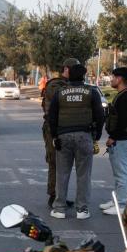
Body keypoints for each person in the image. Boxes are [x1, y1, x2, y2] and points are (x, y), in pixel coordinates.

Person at [48, 63, 105, 219]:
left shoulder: (60, 93)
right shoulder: (91, 92)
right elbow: (100, 115)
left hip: (63, 137)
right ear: (83, 76)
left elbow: (52, 117)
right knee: (84, 175)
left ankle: (59, 209)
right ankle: (82, 209)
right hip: (84, 136)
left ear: (69, 76)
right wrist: (97, 135)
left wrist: (54, 136)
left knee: (62, 174)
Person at [42, 58, 79, 208]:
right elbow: (63, 98)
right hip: (53, 128)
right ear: (67, 69)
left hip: (67, 127)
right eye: (75, 70)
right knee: (55, 162)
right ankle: (53, 196)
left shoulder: (71, 84)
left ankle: (60, 195)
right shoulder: (55, 85)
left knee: (65, 164)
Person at [100, 67, 127, 216]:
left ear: (120, 79)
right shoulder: (122, 95)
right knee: (119, 173)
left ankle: (122, 205)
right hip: (120, 140)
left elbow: (122, 120)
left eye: (113, 77)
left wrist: (113, 137)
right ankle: (118, 200)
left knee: (122, 174)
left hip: (121, 140)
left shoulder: (126, 96)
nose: (111, 79)